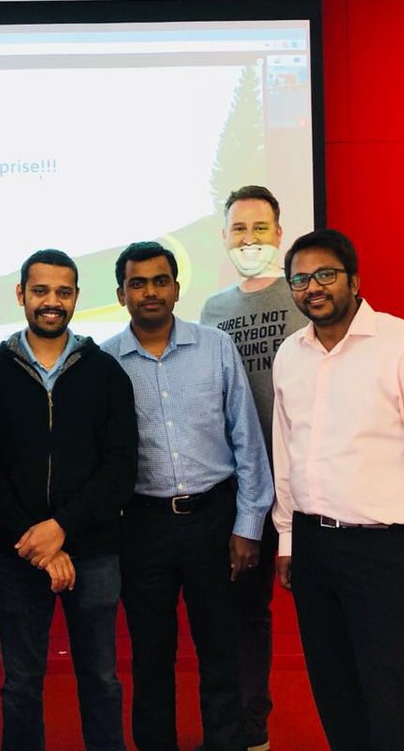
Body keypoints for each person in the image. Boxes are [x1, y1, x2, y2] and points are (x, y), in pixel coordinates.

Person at [272, 229, 404, 751]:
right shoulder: (290, 355)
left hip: (384, 553)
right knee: (335, 693)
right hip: (313, 547)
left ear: (355, 281)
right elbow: (285, 452)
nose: (313, 287)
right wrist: (288, 538)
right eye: (300, 279)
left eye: (325, 274)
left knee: (394, 701)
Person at [0, 249, 138, 751]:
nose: (52, 302)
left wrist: (61, 528)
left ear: (77, 297)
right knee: (20, 684)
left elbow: (120, 467)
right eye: (40, 291)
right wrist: (38, 542)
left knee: (101, 680)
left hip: (94, 552)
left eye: (63, 292)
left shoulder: (106, 373)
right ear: (21, 294)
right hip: (18, 555)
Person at [102, 241, 273, 751]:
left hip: (214, 520)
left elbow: (246, 438)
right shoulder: (104, 362)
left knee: (221, 649)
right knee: (151, 655)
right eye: (137, 283)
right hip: (142, 526)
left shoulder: (215, 347)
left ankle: (226, 743)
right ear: (121, 294)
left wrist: (248, 526)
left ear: (177, 288)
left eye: (160, 281)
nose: (150, 292)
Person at [199, 185, 308, 751]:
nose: (250, 240)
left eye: (260, 228)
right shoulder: (213, 310)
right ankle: (246, 727)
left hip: (302, 486)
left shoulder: (303, 296)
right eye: (239, 229)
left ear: (279, 234)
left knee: (309, 609)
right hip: (238, 487)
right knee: (241, 612)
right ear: (224, 238)